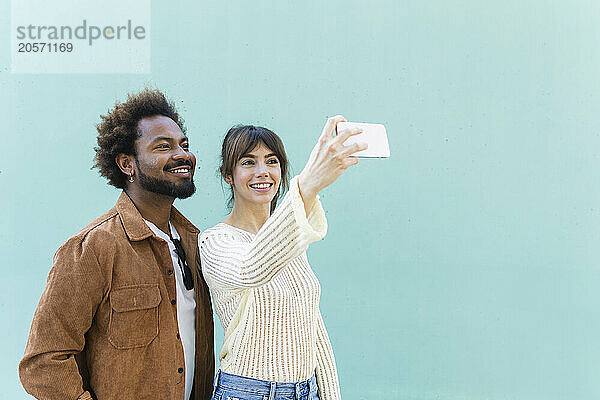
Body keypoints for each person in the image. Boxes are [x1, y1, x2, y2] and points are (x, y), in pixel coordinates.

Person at [19, 89, 214, 400]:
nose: (182, 155)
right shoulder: (91, 249)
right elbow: (43, 363)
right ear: (127, 164)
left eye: (184, 145)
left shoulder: (196, 243)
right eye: (163, 147)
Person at [199, 116, 366, 400]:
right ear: (228, 175)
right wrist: (308, 186)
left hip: (306, 391)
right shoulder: (215, 241)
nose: (262, 172)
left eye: (272, 161)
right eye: (248, 162)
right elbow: (251, 269)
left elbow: (314, 329)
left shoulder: (289, 240)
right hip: (247, 393)